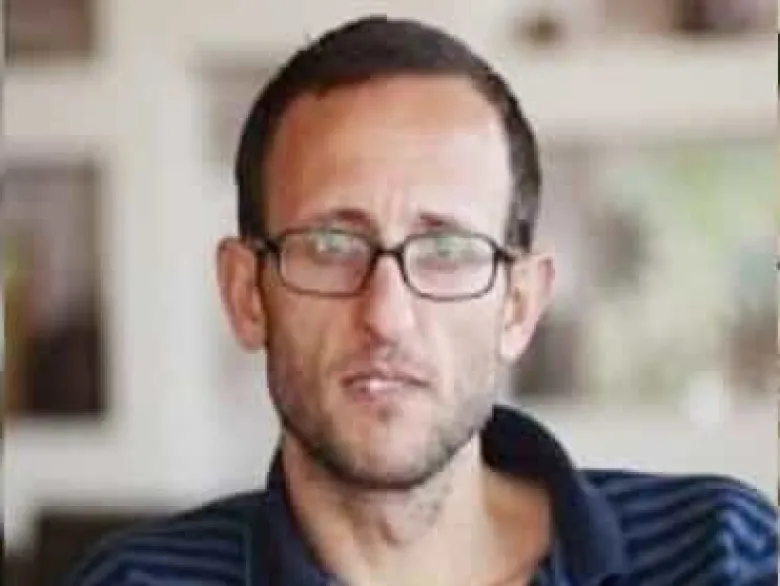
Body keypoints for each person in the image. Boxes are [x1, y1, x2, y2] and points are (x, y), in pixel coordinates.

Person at [65, 16, 777, 586]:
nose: (385, 316)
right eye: (331, 245)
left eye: (446, 250)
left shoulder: (719, 556)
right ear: (247, 293)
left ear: (519, 306)